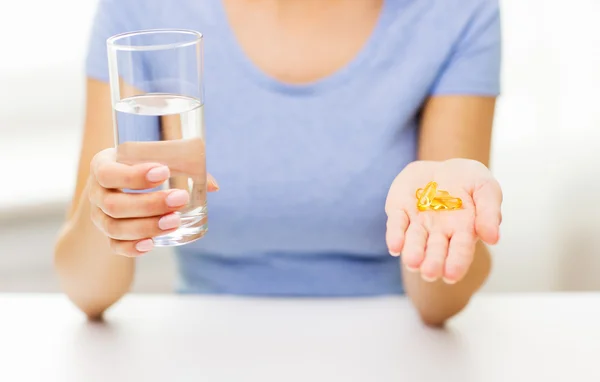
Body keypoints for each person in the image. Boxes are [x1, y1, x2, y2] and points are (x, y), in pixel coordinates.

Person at [54, 0, 503, 326]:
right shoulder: (141, 11)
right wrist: (108, 212)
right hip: (206, 347)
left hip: (390, 345)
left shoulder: (457, 12)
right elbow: (87, 292)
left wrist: (439, 219)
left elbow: (440, 306)